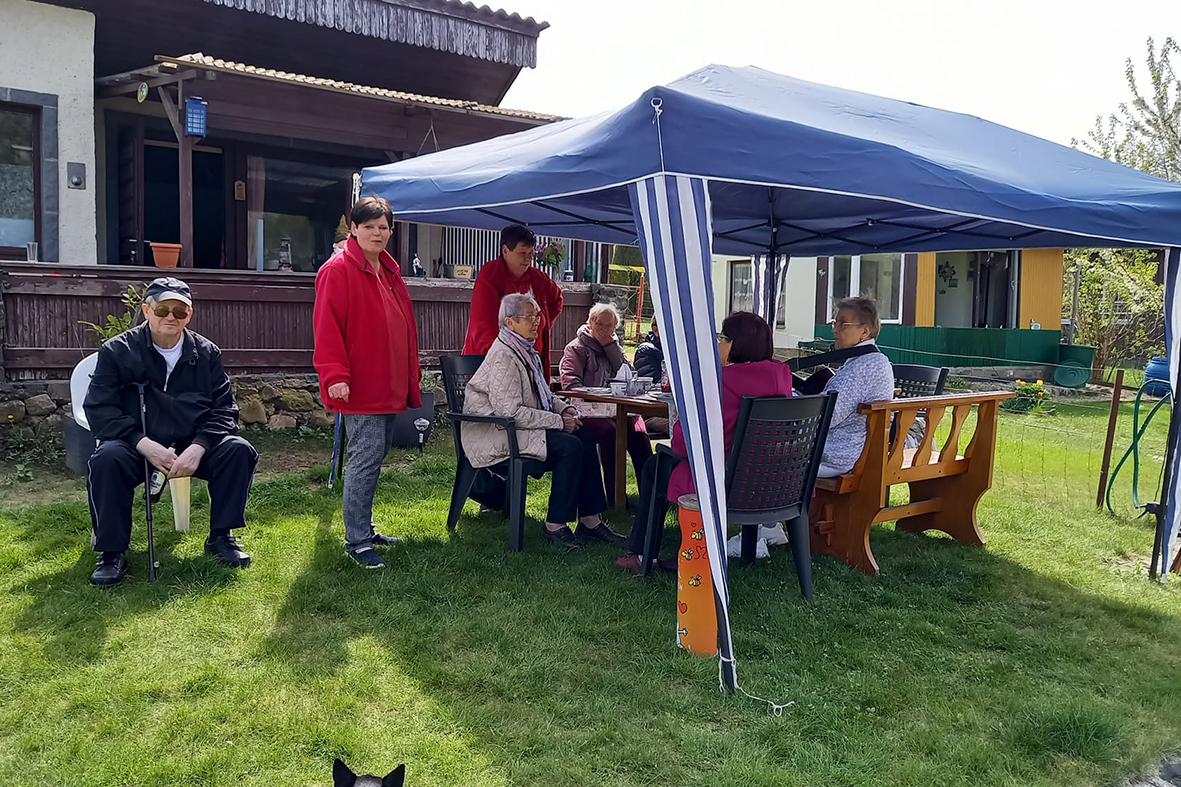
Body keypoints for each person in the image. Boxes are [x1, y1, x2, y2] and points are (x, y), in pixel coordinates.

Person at [83, 277, 258, 587]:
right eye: (163, 310)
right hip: (137, 444)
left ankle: (221, 536)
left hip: (191, 444)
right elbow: (99, 408)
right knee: (106, 459)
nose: (171, 317)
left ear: (189, 315)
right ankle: (111, 552)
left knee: (238, 450)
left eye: (179, 311)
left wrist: (200, 446)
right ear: (146, 310)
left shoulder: (207, 353)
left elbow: (224, 410)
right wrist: (142, 443)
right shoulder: (117, 350)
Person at [615, 312, 793, 573]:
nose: (717, 344)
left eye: (722, 338)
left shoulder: (720, 383)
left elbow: (683, 445)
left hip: (725, 483)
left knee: (655, 465)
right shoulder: (782, 377)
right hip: (777, 484)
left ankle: (643, 554)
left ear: (735, 344)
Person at [462, 293, 625, 550]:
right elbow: (510, 412)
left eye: (536, 316)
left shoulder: (526, 351)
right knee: (570, 446)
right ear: (510, 322)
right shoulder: (504, 355)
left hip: (517, 428)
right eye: (529, 317)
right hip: (497, 432)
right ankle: (555, 526)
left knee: (585, 437)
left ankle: (590, 521)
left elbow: (544, 396)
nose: (537, 322)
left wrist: (566, 409)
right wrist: (558, 422)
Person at [313, 196, 422, 569]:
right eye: (369, 226)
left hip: (387, 381)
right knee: (365, 458)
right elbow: (327, 327)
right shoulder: (337, 270)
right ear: (354, 229)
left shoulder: (388, 269)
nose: (377, 233)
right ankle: (357, 541)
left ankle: (364, 528)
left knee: (374, 456)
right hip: (359, 384)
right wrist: (334, 375)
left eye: (383, 227)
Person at [559, 302, 652, 503]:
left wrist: (611, 349)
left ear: (614, 328)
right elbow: (570, 384)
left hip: (619, 409)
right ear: (590, 322)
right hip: (588, 409)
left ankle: (651, 499)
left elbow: (630, 376)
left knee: (639, 435)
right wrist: (595, 395)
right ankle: (615, 498)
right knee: (611, 433)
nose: (602, 329)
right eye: (598, 323)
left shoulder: (615, 348)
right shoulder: (576, 348)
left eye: (608, 325)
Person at [463, 225, 563, 379]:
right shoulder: (490, 275)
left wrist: (540, 325)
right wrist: (505, 359)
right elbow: (484, 326)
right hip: (494, 364)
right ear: (505, 250)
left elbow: (557, 301)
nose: (527, 259)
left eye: (530, 254)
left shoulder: (539, 279)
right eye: (522, 253)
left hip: (532, 365)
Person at [817, 296, 896, 477]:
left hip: (835, 456)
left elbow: (826, 416)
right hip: (850, 451)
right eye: (835, 323)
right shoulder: (872, 360)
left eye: (843, 324)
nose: (835, 329)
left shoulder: (864, 366)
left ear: (864, 331)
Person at [632, 322, 669, 435]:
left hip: (672, 410)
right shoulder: (646, 350)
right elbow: (650, 386)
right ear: (656, 330)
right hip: (652, 413)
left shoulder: (678, 351)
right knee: (686, 427)